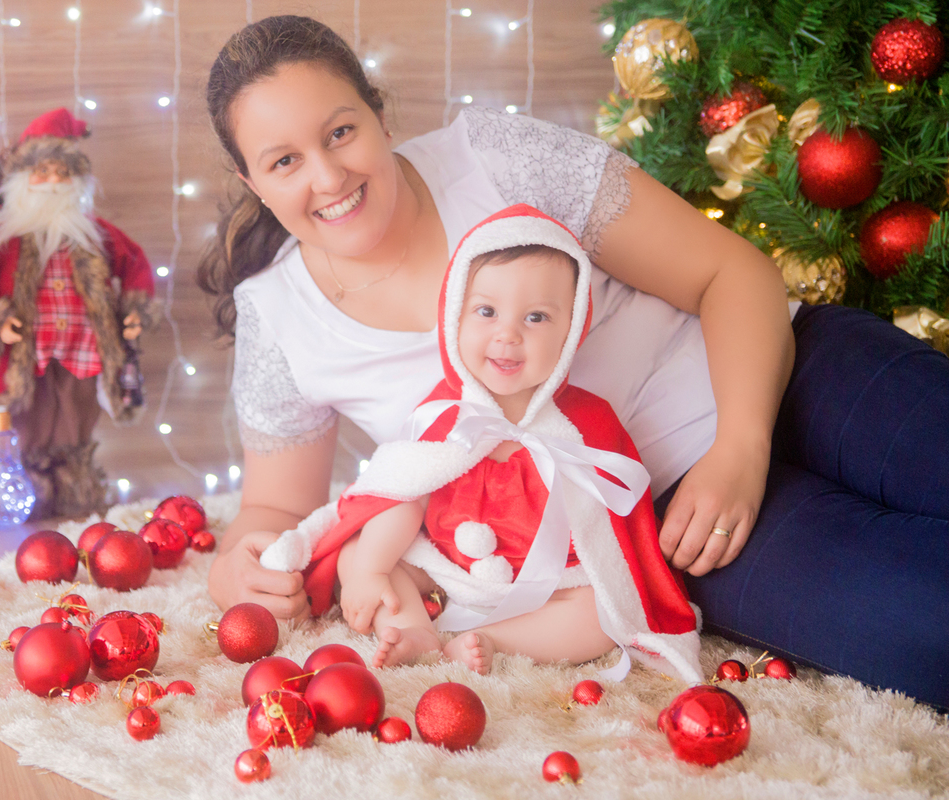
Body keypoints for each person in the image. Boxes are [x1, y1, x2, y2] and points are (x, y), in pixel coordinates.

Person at [198, 16, 949, 708]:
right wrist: (238, 565)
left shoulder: (492, 160)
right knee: (932, 632)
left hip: (793, 371)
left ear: (379, 114)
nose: (327, 178)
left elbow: (733, 275)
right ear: (251, 182)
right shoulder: (278, 317)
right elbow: (274, 510)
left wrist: (742, 448)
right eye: (284, 160)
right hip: (670, 521)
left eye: (340, 132)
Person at [258, 205, 703, 682]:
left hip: (551, 584)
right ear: (455, 316)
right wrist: (369, 570)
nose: (507, 335)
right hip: (448, 568)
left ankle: (496, 641)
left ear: (571, 331)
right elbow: (400, 493)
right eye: (486, 311)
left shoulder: (587, 423)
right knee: (363, 555)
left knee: (603, 612)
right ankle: (412, 629)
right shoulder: (445, 413)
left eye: (536, 317)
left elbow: (617, 535)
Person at [0, 108, 156, 519]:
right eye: (42, 172)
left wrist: (135, 306)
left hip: (83, 348)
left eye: (63, 173)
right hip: (27, 349)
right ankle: (28, 484)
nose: (53, 182)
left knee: (77, 414)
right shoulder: (2, 238)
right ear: (22, 180)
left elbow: (135, 262)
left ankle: (75, 483)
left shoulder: (95, 233)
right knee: (28, 416)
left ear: (77, 180)